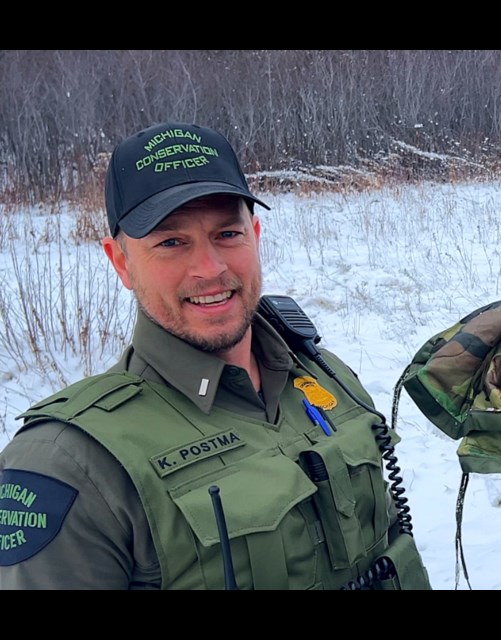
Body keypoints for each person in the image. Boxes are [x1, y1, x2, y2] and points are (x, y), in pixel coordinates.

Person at [0, 122, 432, 590]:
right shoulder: (68, 463)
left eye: (227, 233)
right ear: (120, 262)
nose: (210, 268)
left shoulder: (326, 376)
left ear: (256, 234)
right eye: (170, 242)